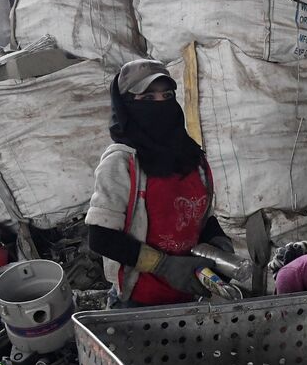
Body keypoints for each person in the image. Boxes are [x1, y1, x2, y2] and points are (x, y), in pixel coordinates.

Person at [86, 59, 234, 307]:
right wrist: (164, 266)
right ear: (126, 106)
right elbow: (101, 237)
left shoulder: (192, 158)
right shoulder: (122, 162)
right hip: (140, 301)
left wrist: (219, 247)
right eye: (147, 99)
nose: (161, 105)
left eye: (167, 96)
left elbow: (198, 218)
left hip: (191, 294)